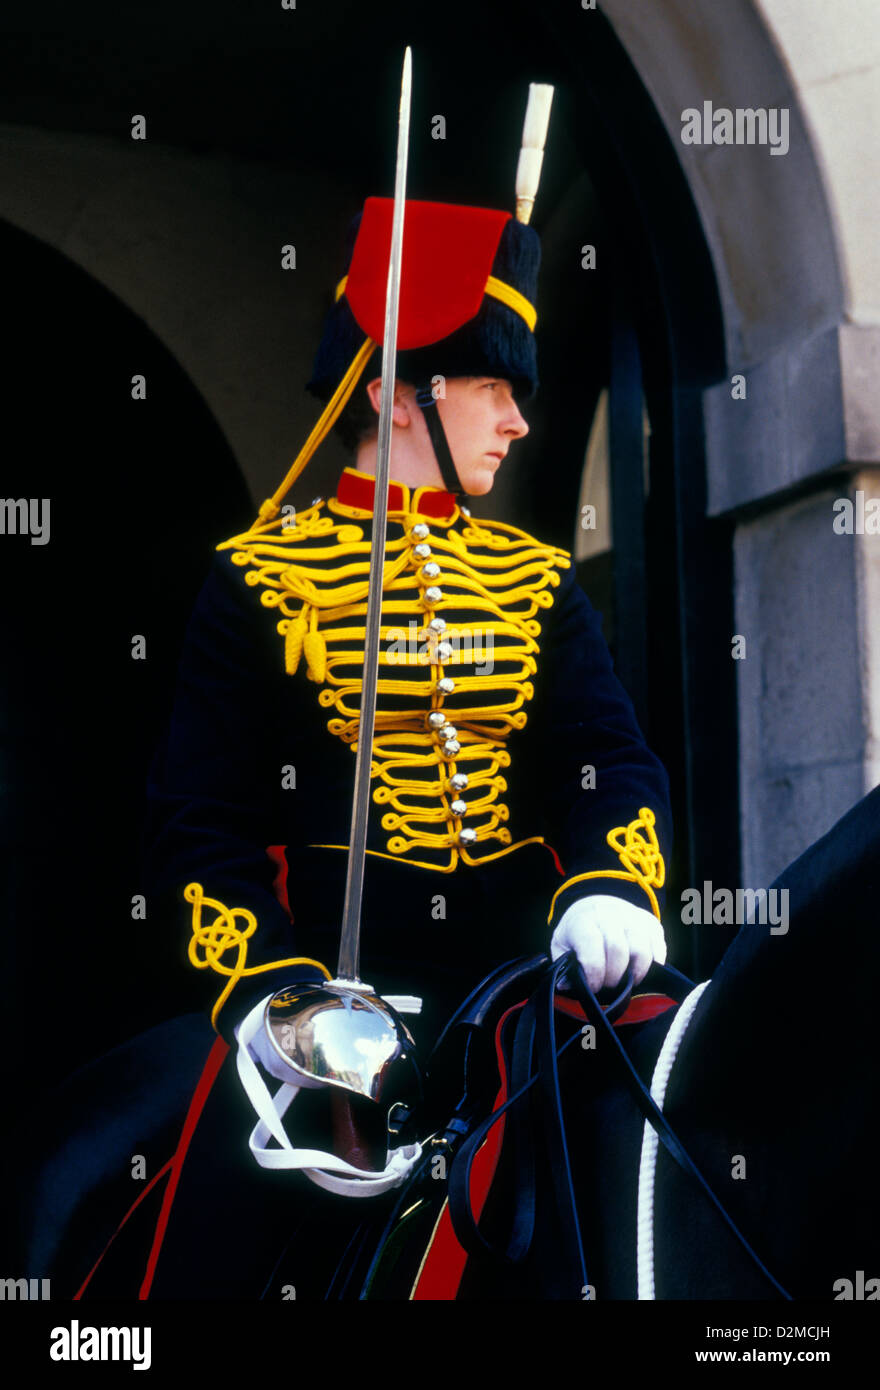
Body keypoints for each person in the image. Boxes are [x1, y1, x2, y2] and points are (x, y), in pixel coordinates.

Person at [130, 192, 675, 1296]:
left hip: (529, 983)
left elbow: (604, 760)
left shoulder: (537, 584)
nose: (519, 421)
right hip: (336, 997)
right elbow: (200, 824)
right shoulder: (256, 582)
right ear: (393, 393)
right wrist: (273, 997)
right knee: (206, 1248)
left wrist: (612, 884)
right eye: (493, 387)